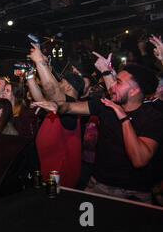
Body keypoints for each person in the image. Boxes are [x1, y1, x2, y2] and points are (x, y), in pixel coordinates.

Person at [33, 64, 162, 203]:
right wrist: (57, 106)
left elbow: (139, 160)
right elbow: (69, 107)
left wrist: (123, 118)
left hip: (131, 193)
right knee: (83, 223)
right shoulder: (105, 106)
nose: (112, 86)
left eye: (118, 82)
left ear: (134, 91)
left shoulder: (153, 117)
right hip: (97, 185)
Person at [27, 42, 85, 188]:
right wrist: (29, 75)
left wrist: (40, 62)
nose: (59, 84)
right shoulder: (58, 106)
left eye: (62, 82)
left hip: (62, 178)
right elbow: (40, 99)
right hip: (49, 173)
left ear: (69, 87)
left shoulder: (72, 107)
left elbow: (51, 90)